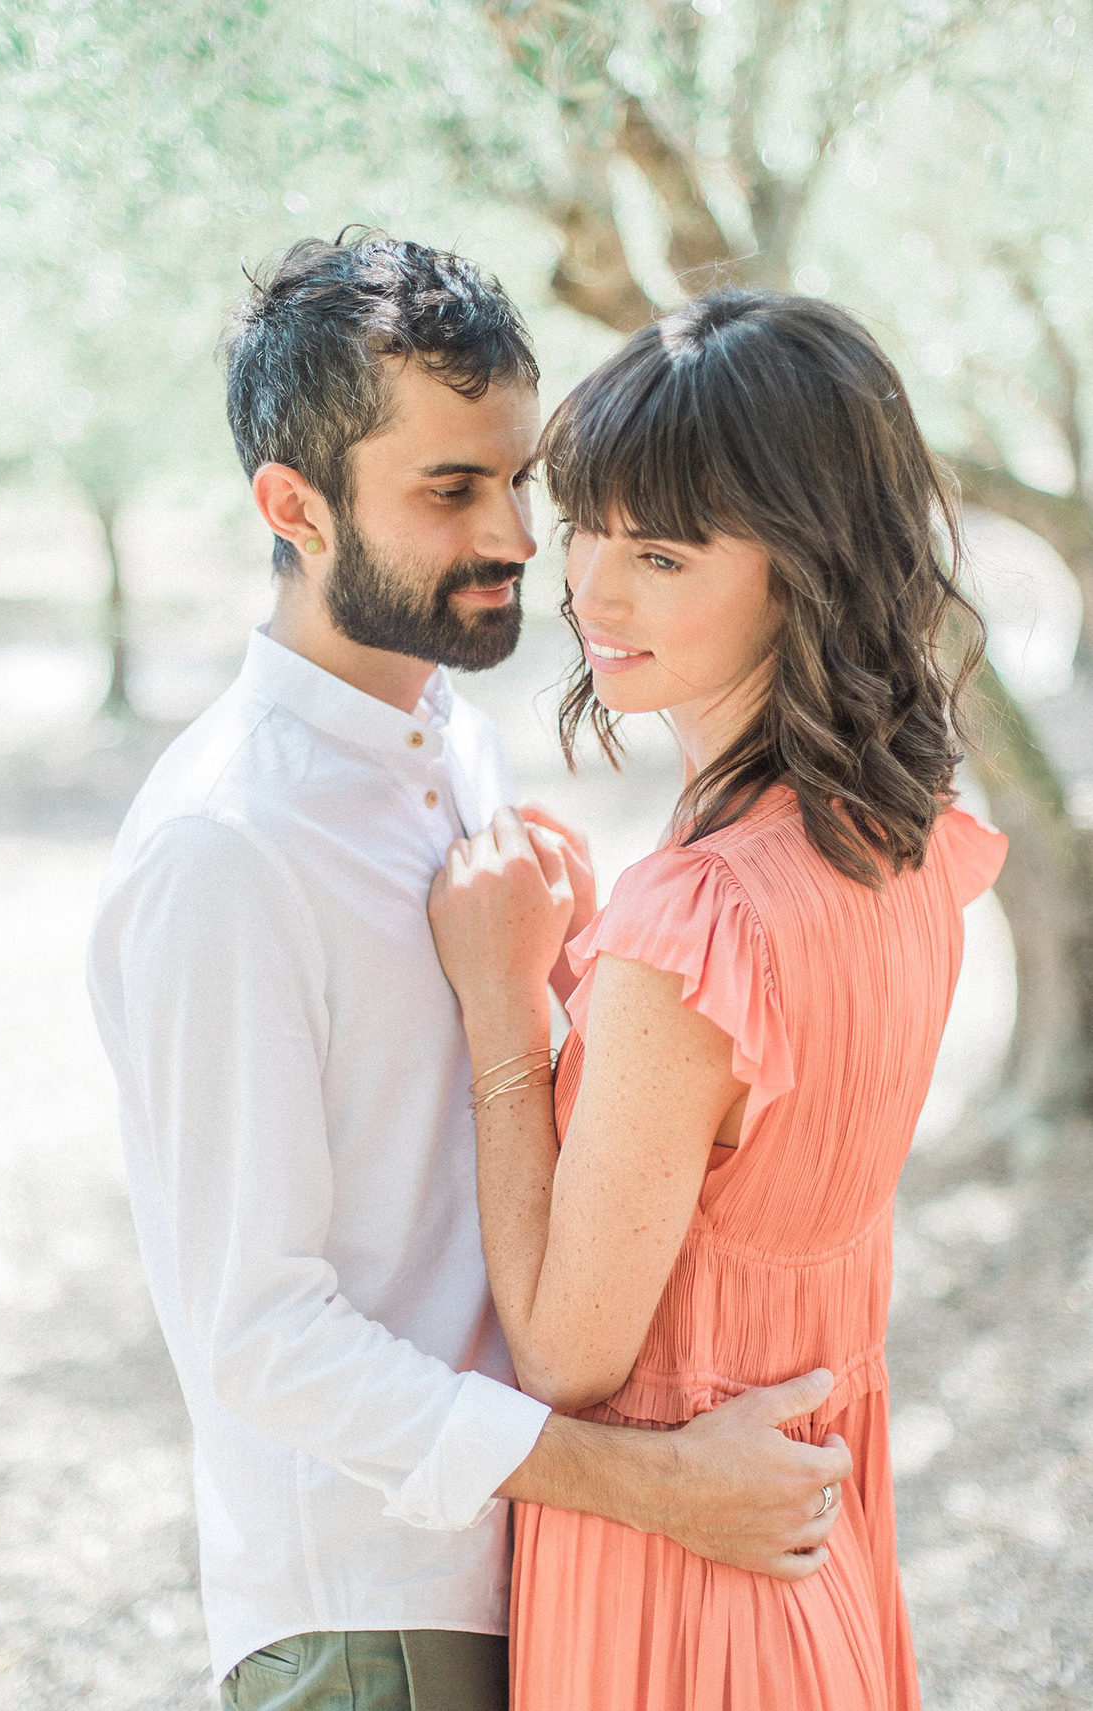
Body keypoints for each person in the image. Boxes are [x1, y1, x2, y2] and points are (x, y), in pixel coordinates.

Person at [86, 236, 851, 1711]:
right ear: (292, 507)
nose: (515, 536)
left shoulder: (460, 742)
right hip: (382, 1621)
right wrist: (653, 1486)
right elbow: (257, 1333)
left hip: (549, 1572)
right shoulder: (221, 851)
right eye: (451, 489)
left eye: (520, 479)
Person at [428, 288, 1008, 1711]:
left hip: (676, 1579)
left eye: (664, 554)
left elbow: (570, 1350)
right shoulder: (907, 842)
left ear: (803, 568)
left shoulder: (699, 920)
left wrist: (508, 1010)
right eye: (589, 530)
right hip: (821, 1556)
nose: (593, 592)